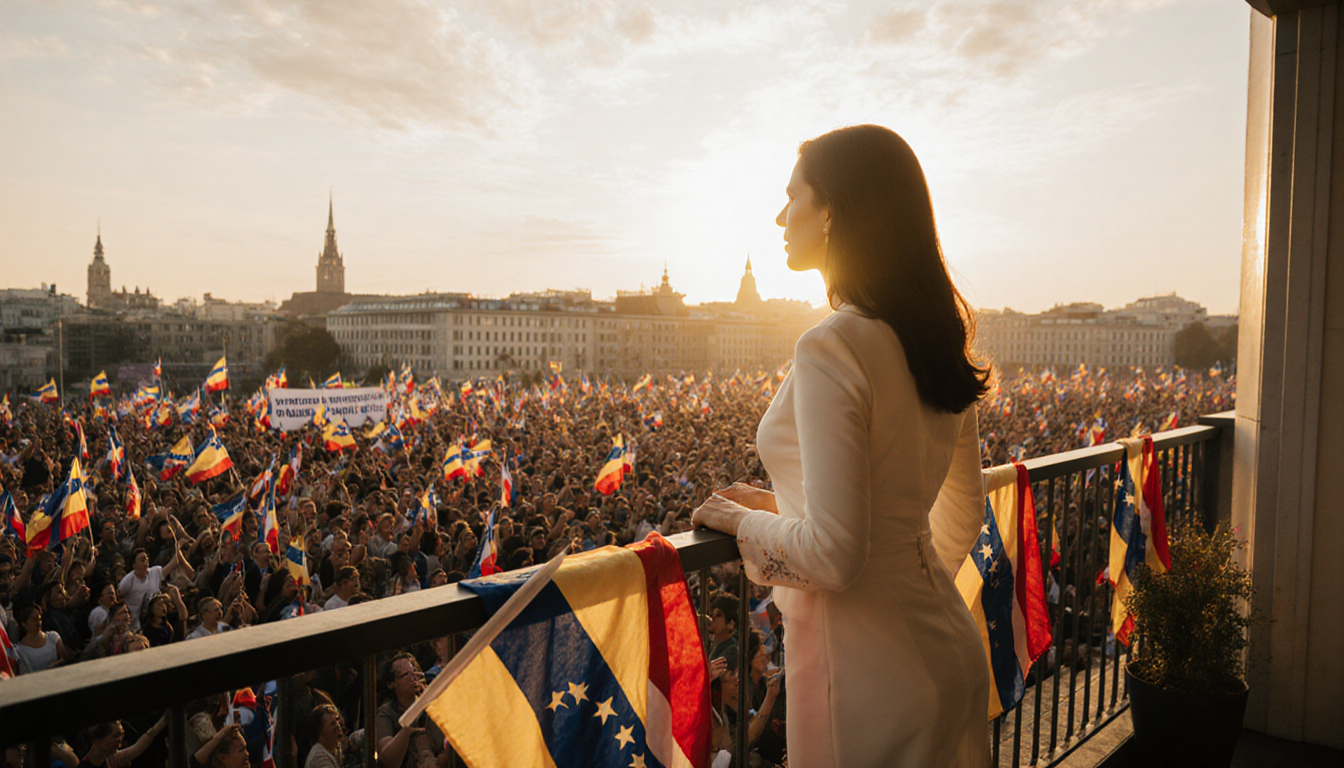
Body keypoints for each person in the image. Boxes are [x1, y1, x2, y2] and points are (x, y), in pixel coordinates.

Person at [693, 125, 991, 767]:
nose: (780, 214)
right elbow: (959, 516)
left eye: (792, 196)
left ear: (831, 210)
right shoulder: (935, 338)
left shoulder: (832, 343)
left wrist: (742, 522)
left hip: (862, 677)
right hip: (947, 649)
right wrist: (812, 523)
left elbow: (833, 555)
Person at [77, 716, 168, 768]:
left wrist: (163, 721)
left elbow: (138, 747)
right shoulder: (80, 761)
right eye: (115, 736)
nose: (119, 739)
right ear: (97, 741)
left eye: (121, 735)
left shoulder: (115, 759)